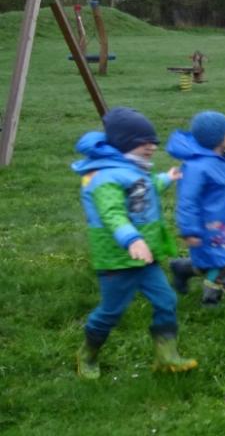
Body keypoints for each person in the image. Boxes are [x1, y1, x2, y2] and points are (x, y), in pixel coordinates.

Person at [71, 107, 197, 377]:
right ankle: (88, 353)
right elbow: (112, 214)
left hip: (145, 257)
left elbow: (143, 190)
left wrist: (167, 178)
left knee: (166, 301)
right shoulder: (105, 178)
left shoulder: (131, 168)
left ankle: (166, 356)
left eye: (153, 141)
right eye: (144, 142)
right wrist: (132, 240)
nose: (152, 146)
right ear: (125, 143)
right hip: (117, 259)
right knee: (111, 312)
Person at [166, 111, 225, 306]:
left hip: (224, 220)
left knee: (212, 260)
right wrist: (189, 230)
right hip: (208, 225)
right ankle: (211, 300)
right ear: (217, 138)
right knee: (223, 262)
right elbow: (187, 202)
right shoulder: (197, 168)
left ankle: (182, 268)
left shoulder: (219, 159)